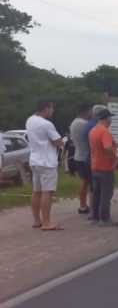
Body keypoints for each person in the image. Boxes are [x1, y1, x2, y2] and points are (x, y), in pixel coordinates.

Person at [26, 98, 64, 231]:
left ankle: (37, 220)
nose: (53, 110)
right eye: (52, 108)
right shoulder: (46, 124)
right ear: (46, 108)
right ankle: (47, 222)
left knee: (37, 191)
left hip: (34, 159)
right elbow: (58, 142)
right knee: (47, 192)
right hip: (47, 161)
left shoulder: (30, 120)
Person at [89, 108, 118, 227]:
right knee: (106, 194)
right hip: (105, 166)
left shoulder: (93, 131)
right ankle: (105, 218)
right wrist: (115, 157)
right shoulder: (104, 132)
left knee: (96, 193)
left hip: (95, 165)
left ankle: (95, 217)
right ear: (107, 118)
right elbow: (107, 147)